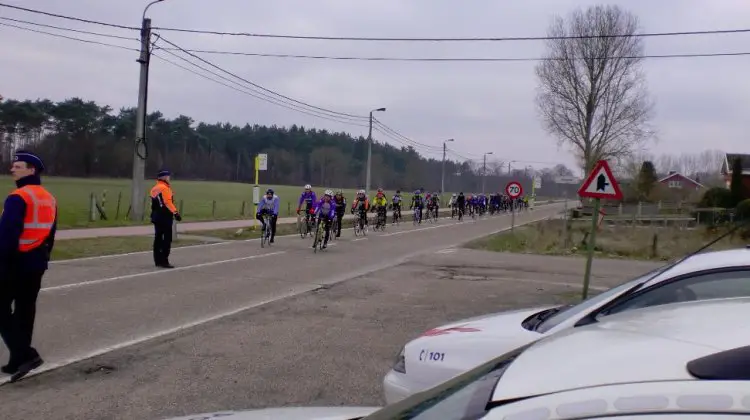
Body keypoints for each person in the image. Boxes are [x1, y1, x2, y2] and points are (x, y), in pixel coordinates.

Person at [0, 151, 57, 382]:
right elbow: (51, 234)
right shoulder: (49, 198)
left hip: (15, 262)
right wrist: (44, 257)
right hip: (37, 262)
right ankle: (17, 361)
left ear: (31, 170)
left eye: (18, 166)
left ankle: (26, 354)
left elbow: (7, 236)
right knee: (25, 310)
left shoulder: (18, 197)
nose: (13, 169)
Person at [150, 170, 181, 268]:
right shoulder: (165, 188)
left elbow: (153, 204)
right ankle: (164, 260)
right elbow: (167, 202)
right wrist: (175, 213)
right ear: (164, 177)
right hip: (165, 216)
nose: (169, 178)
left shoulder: (154, 188)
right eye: (168, 176)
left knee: (158, 238)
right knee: (167, 238)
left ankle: (157, 260)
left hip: (156, 216)